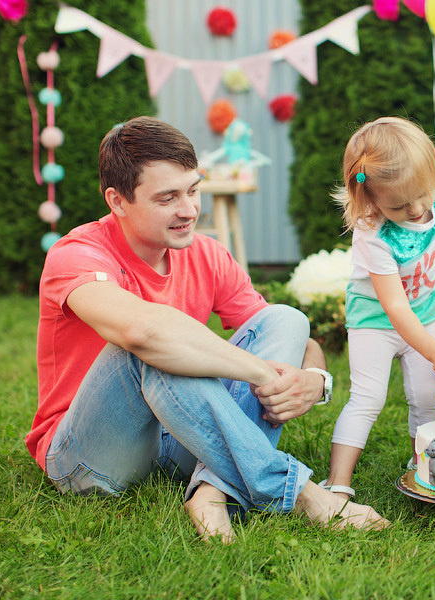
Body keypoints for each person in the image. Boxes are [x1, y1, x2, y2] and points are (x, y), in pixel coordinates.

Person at [27, 116, 388, 543]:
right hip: (88, 455)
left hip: (182, 429)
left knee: (285, 317)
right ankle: (301, 493)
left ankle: (212, 490)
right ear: (118, 200)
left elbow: (289, 338)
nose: (189, 210)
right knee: (150, 348)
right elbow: (145, 334)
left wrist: (314, 380)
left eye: (194, 190)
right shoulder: (77, 255)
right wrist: (259, 373)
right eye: (167, 198)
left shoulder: (207, 254)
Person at [320, 116, 435, 498]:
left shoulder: (431, 188)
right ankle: (337, 481)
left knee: (428, 397)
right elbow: (395, 308)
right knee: (368, 397)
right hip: (376, 323)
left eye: (422, 197)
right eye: (399, 205)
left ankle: (423, 467)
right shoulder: (374, 235)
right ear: (370, 198)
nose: (417, 210)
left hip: (426, 313)